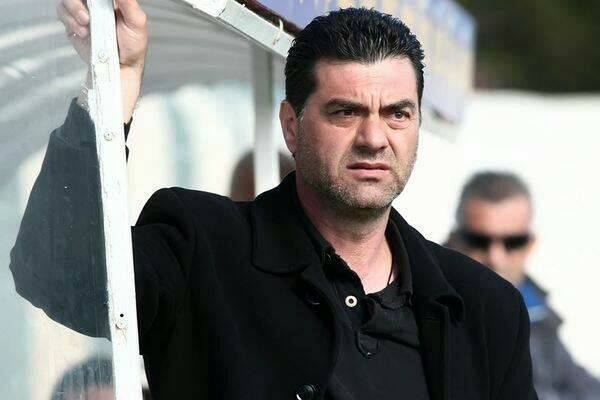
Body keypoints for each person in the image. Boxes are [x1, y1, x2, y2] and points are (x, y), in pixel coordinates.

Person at [10, 1, 538, 399]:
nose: (375, 138)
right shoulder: (202, 246)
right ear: (291, 125)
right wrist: (113, 83)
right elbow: (57, 273)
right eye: (346, 112)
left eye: (397, 113)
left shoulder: (486, 309)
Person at [446, 171, 600, 399]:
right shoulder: (426, 307)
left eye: (512, 242)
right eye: (479, 241)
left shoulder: (536, 310)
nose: (496, 257)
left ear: (530, 244)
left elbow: (580, 385)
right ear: (454, 239)